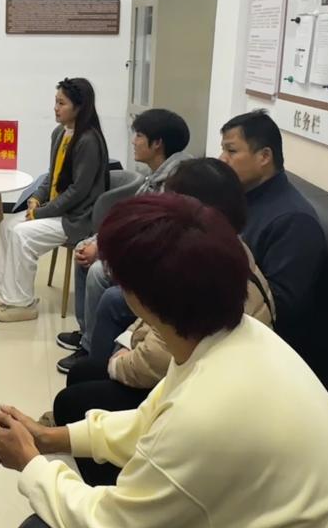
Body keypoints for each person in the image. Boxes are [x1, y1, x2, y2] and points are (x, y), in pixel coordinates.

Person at [0, 193, 328, 528]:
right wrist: (50, 438)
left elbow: (108, 522)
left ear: (141, 297)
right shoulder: (234, 336)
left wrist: (30, 463)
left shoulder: (206, 412)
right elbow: (149, 420)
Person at [49, 158, 277, 482]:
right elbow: (156, 326)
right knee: (82, 375)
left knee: (73, 401)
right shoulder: (218, 251)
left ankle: (115, 481)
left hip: (200, 395)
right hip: (182, 376)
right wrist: (126, 346)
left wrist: (119, 362)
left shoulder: (202, 271)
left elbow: (158, 360)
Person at [55, 108, 191, 371]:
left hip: (154, 263)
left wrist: (104, 251)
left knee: (97, 271)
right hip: (137, 249)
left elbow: (151, 237)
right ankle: (87, 333)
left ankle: (91, 349)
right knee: (84, 250)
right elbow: (128, 220)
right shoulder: (155, 175)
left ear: (157, 143)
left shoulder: (175, 183)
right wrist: (98, 243)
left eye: (139, 135)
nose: (133, 141)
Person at [0, 78, 110, 322]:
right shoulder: (60, 133)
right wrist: (36, 197)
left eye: (61, 103)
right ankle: (6, 296)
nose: (55, 108)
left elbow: (78, 190)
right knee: (7, 226)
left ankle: (20, 303)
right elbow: (51, 176)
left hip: (77, 218)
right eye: (56, 102)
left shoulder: (88, 140)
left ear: (79, 107)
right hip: (57, 211)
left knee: (22, 235)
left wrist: (42, 212)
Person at [219, 110, 325, 343]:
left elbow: (278, 306)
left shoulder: (294, 221)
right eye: (223, 150)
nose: (222, 158)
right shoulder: (241, 199)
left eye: (231, 151)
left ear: (264, 156)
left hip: (258, 340)